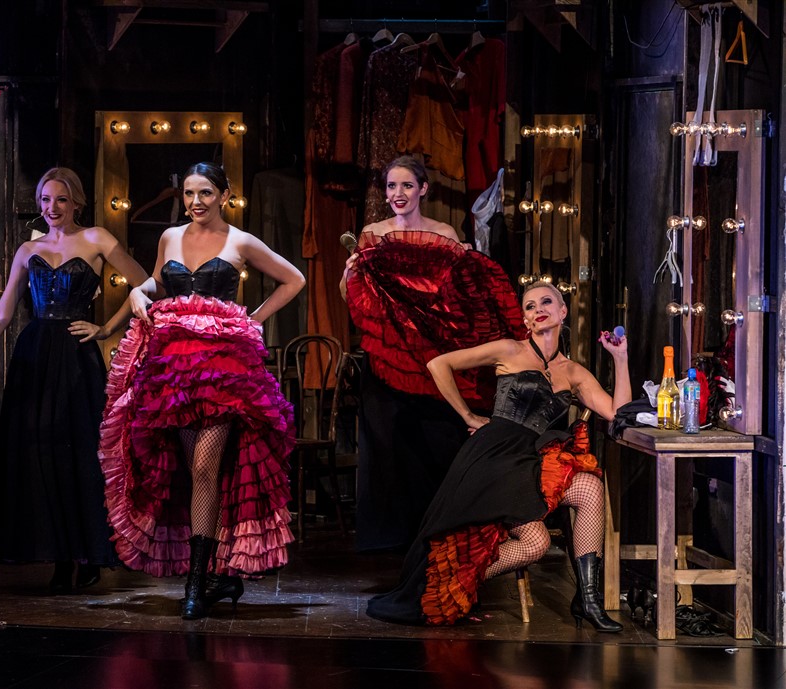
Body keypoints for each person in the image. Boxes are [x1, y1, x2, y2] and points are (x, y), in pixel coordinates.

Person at [100, 161, 305, 619]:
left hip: (223, 373)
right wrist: (138, 293)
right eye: (190, 193)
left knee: (206, 467)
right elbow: (158, 281)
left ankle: (195, 583)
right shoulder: (170, 237)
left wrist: (252, 319)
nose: (196, 201)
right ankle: (213, 576)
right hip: (175, 373)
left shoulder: (240, 241)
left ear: (224, 195)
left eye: (206, 193)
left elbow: (295, 279)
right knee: (194, 472)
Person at [366, 282, 630, 632]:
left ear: (563, 311)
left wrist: (620, 358)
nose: (539, 309)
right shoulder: (510, 349)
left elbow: (617, 413)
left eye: (546, 302)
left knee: (589, 489)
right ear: (525, 319)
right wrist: (468, 415)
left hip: (530, 459)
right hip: (493, 457)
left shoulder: (573, 372)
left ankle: (588, 599)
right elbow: (439, 364)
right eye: (530, 306)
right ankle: (452, 581)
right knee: (537, 544)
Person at [0, 167, 147, 594]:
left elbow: (147, 285)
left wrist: (106, 328)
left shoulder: (97, 238)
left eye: (60, 199)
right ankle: (60, 557)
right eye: (44, 200)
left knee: (79, 453)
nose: (51, 208)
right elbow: (2, 313)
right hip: (35, 355)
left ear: (76, 202)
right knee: (39, 452)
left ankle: (89, 554)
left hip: (76, 357)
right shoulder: (27, 250)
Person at [341, 155, 525, 552]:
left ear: (423, 189)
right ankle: (389, 540)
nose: (398, 193)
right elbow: (352, 299)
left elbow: (460, 298)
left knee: (435, 443)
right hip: (388, 359)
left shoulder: (444, 233)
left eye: (406, 185)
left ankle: (438, 533)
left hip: (432, 359)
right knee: (388, 444)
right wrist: (350, 273)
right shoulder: (373, 234)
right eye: (392, 186)